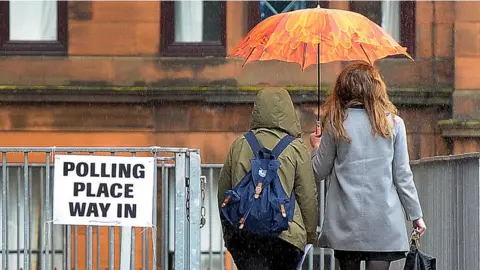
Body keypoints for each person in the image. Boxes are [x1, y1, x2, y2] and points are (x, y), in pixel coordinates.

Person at [310, 62, 427, 270]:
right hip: (382, 221)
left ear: (343, 89)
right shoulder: (393, 124)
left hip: (345, 222)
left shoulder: (336, 124)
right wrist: (415, 215)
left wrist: (316, 147)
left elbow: (318, 171)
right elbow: (402, 176)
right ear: (375, 88)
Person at [217, 88, 318, 270]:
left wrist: (229, 235)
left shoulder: (240, 144)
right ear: (289, 112)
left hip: (247, 236)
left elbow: (223, 193)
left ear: (257, 111)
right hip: (286, 237)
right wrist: (308, 237)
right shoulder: (296, 147)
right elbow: (307, 197)